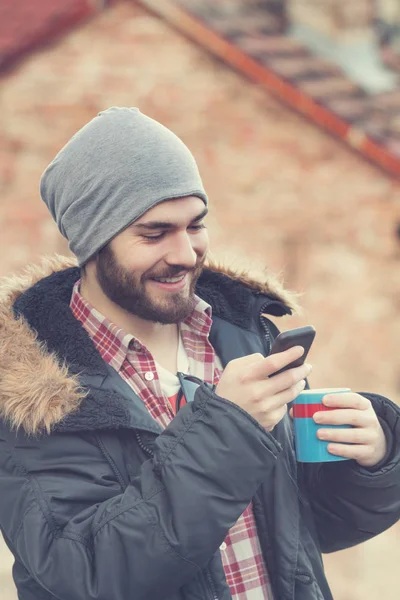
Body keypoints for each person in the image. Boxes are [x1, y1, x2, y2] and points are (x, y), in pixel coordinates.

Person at [0, 107, 399, 600]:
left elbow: (298, 528)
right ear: (91, 243)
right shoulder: (31, 394)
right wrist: (227, 425)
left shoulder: (242, 334)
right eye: (154, 233)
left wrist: (374, 461)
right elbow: (90, 573)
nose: (186, 253)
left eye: (195, 225)